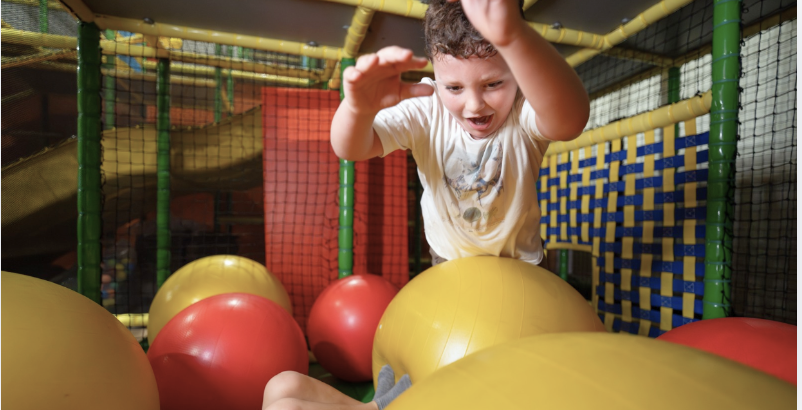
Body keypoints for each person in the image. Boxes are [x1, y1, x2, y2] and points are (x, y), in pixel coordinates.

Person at [263, 0, 588, 408]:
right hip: (447, 277)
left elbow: (570, 119)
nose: (474, 106)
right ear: (435, 74)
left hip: (522, 283)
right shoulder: (427, 110)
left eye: (492, 84)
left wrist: (515, 36)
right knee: (447, 371)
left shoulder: (523, 114)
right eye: (454, 87)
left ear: (516, 72)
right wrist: (359, 108)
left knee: (512, 386)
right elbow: (350, 146)